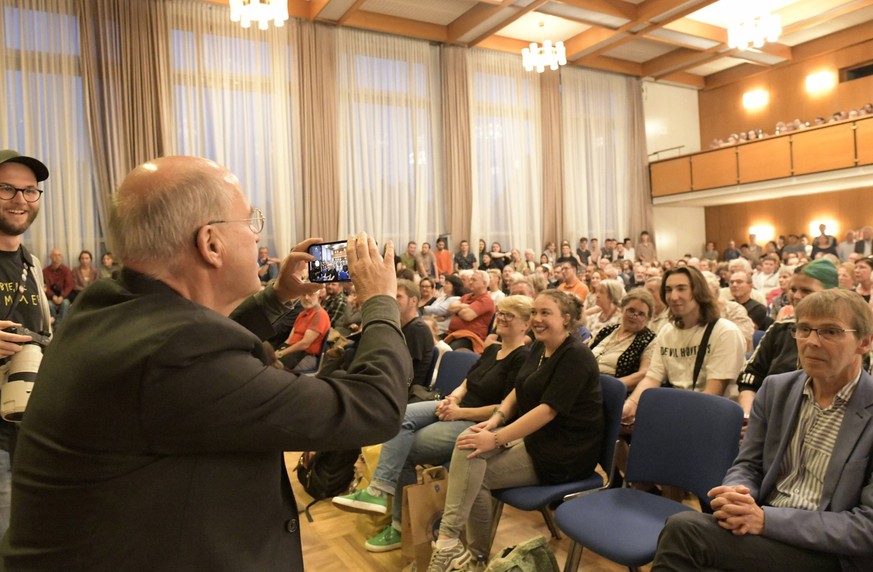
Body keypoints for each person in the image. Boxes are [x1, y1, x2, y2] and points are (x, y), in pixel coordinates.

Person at [0, 156, 410, 570]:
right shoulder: (176, 358)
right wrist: (380, 300)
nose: (257, 237)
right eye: (251, 221)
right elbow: (374, 407)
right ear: (211, 244)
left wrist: (279, 294)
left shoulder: (109, 305)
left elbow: (201, 334)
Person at [653, 289, 873, 572]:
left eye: (830, 332)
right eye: (804, 329)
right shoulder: (776, 389)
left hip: (828, 551)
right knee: (686, 538)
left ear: (864, 343)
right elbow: (748, 463)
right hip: (764, 522)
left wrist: (767, 520)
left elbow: (867, 527)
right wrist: (737, 493)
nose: (811, 342)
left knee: (684, 532)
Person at [331, 296, 532, 553]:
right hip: (458, 407)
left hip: (481, 423)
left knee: (406, 448)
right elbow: (468, 382)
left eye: (510, 315)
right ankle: (380, 491)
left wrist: (460, 412)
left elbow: (505, 409)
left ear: (526, 325)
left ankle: (399, 524)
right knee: (397, 419)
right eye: (501, 313)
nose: (501, 318)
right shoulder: (493, 349)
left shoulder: (523, 358)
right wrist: (453, 398)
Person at [426, 291, 603, 570]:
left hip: (564, 453)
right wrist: (495, 419)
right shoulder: (537, 347)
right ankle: (454, 544)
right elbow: (519, 392)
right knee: (467, 444)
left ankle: (473, 556)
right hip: (537, 440)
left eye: (545, 313)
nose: (537, 319)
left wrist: (495, 438)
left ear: (566, 319)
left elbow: (547, 411)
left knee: (475, 469)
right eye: (534, 312)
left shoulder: (576, 356)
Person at [0, 150, 52, 538]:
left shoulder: (30, 263)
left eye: (30, 191)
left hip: (29, 426)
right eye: (7, 189)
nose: (20, 199)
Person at [622, 267, 745, 423]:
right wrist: (631, 404)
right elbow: (652, 378)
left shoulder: (725, 332)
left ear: (698, 292)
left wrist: (674, 419)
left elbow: (714, 393)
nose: (673, 297)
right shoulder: (667, 331)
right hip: (678, 409)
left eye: (681, 289)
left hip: (713, 417)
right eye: (668, 290)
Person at [737, 259, 839, 414]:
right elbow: (751, 377)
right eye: (793, 289)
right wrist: (749, 413)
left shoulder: (844, 337)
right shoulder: (781, 329)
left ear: (831, 293)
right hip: (767, 415)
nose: (797, 296)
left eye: (806, 291)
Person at [589, 289, 657, 390]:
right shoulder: (607, 330)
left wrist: (611, 386)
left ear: (648, 318)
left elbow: (644, 374)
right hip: (586, 381)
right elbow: (586, 353)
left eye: (641, 314)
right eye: (631, 310)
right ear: (622, 309)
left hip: (611, 390)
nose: (635, 316)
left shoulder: (649, 340)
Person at [276, 289, 330, 371]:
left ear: (319, 296)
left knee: (274, 369)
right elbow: (289, 339)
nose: (306, 298)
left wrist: (280, 353)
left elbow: (305, 344)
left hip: (305, 355)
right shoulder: (301, 314)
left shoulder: (320, 314)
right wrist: (278, 351)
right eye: (303, 295)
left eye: (311, 295)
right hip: (291, 351)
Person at [395, 279, 434, 387]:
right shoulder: (403, 327)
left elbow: (407, 370)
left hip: (406, 391)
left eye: (398, 296)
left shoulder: (417, 328)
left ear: (413, 301)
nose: (394, 300)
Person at [42, 248, 73, 326]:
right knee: (49, 304)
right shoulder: (45, 271)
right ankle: (58, 325)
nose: (57, 257)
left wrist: (62, 296)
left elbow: (69, 285)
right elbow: (45, 287)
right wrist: (53, 297)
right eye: (54, 255)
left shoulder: (66, 270)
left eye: (59, 255)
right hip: (51, 298)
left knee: (66, 303)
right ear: (50, 257)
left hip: (64, 297)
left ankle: (58, 326)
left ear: (61, 257)